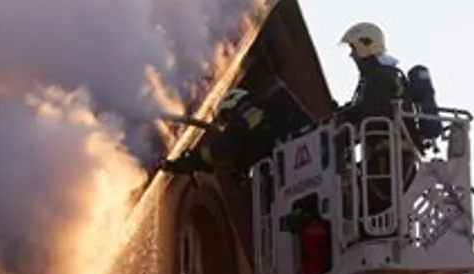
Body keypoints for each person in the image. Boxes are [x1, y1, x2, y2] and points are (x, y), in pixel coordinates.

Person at [333, 22, 417, 225]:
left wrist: (340, 134)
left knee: (350, 207)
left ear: (366, 44)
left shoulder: (381, 78)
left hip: (387, 165)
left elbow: (370, 113)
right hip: (389, 163)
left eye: (353, 48)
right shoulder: (381, 76)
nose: (351, 55)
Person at [157, 76, 312, 178]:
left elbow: (225, 146)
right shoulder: (260, 116)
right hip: (297, 163)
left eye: (226, 118)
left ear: (232, 103)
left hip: (295, 159)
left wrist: (183, 162)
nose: (227, 125)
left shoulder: (249, 111)